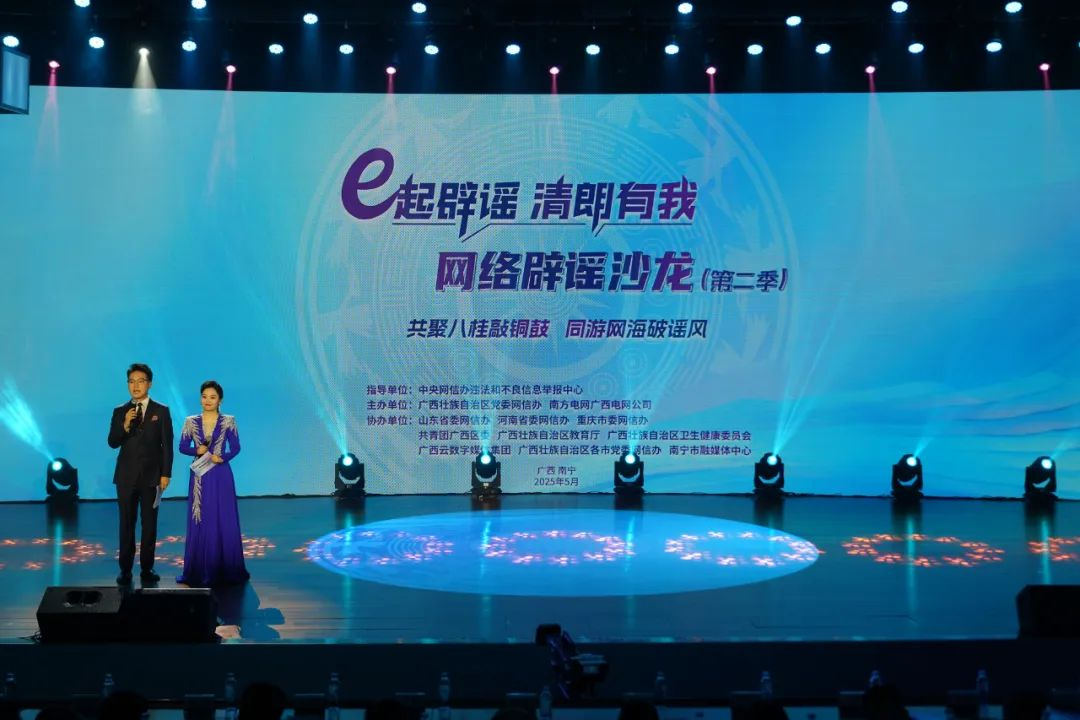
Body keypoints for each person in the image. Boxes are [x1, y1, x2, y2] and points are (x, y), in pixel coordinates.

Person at [177, 380, 249, 586]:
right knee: (201, 518)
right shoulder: (190, 421)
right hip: (200, 475)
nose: (207, 400)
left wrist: (222, 457)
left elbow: (236, 447)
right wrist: (196, 450)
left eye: (212, 397)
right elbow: (182, 446)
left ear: (220, 400)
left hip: (220, 473)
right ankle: (200, 569)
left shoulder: (228, 421)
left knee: (222, 517)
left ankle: (225, 568)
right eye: (204, 396)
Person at [107, 363, 173, 585]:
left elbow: (167, 445)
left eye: (140, 381)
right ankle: (125, 569)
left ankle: (147, 568)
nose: (135, 386)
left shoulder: (161, 411)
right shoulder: (120, 411)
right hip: (125, 477)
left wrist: (166, 474)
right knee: (126, 524)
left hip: (152, 477)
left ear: (149, 384)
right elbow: (112, 442)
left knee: (149, 524)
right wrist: (125, 425)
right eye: (131, 381)